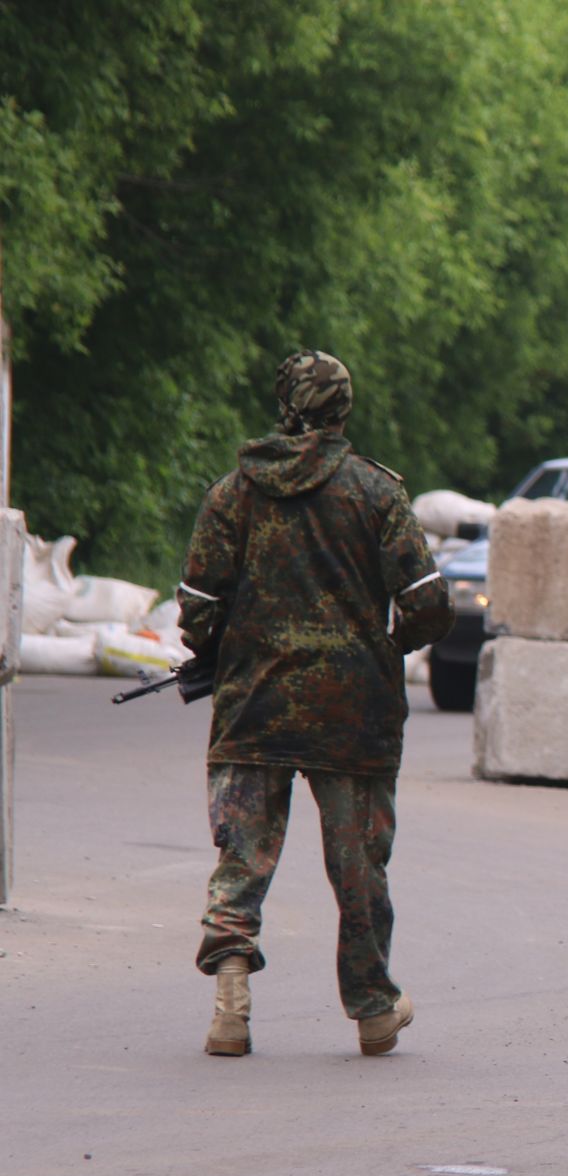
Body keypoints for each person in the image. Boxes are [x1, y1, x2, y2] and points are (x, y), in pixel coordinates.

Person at [178, 350, 453, 1058]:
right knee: (358, 867)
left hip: (253, 709)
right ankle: (371, 1009)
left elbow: (198, 607)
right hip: (353, 714)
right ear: (343, 410)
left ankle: (230, 1007)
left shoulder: (234, 492)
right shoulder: (376, 494)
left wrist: (226, 651)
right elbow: (428, 604)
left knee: (241, 862)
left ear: (285, 405)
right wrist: (387, 649)